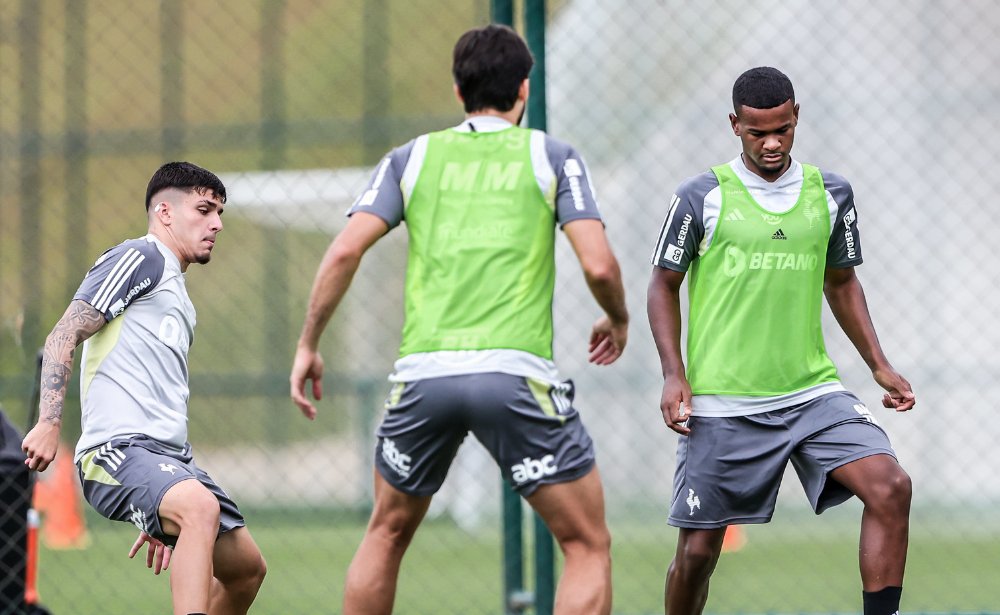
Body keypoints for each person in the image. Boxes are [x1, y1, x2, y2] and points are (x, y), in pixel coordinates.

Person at [290, 24, 629, 615]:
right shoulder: (551, 156)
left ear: (458, 91)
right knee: (585, 543)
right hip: (514, 375)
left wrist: (309, 343)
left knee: (386, 534)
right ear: (524, 89)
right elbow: (598, 264)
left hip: (423, 377)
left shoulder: (412, 158)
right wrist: (616, 317)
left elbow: (344, 250)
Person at [646, 67, 914, 615]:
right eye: (756, 133)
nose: (771, 143)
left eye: (782, 130)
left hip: (810, 394)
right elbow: (662, 284)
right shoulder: (702, 196)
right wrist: (675, 372)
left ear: (796, 119)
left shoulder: (830, 193)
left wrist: (879, 365)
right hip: (723, 404)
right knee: (698, 551)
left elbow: (841, 282)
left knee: (890, 487)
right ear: (734, 125)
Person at [21, 162, 266, 615]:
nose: (216, 223)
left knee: (247, 570)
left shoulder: (177, 295)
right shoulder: (142, 257)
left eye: (220, 213)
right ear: (165, 212)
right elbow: (62, 334)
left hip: (166, 460)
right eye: (205, 209)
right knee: (197, 508)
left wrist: (159, 504)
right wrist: (48, 423)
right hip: (114, 451)